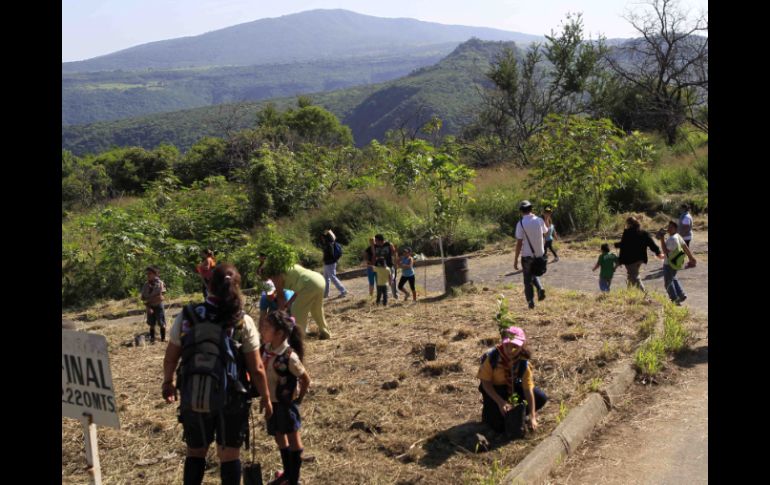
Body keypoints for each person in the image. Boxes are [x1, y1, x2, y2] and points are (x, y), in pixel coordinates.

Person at [161, 264, 272, 485]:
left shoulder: (187, 316)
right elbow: (257, 368)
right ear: (237, 287)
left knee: (195, 452)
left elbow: (171, 357)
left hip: (194, 396)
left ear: (209, 285)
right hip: (231, 398)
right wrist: (267, 398)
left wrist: (168, 382)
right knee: (229, 455)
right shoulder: (241, 320)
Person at [259, 310, 310, 485]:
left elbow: (305, 378)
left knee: (293, 438)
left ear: (279, 333)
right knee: (278, 435)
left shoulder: (290, 356)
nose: (262, 330)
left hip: (286, 404)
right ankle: (287, 473)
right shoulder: (266, 350)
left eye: (266, 328)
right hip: (271, 403)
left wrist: (298, 399)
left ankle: (294, 478)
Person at [477, 326, 547, 434]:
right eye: (507, 345)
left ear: (522, 346)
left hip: (515, 386)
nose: (510, 350)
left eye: (515, 346)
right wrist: (500, 402)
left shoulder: (523, 363)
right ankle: (502, 414)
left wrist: (533, 416)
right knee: (496, 427)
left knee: (541, 397)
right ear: (502, 343)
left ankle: (518, 414)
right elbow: (485, 383)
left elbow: (528, 390)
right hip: (495, 390)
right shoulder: (493, 358)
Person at [265, 262, 332, 340]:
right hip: (318, 279)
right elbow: (299, 289)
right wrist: (289, 303)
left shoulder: (275, 275)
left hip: (308, 284)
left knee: (296, 312)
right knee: (316, 310)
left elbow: (280, 296)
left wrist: (280, 316)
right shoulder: (287, 266)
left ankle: (299, 338)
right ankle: (326, 333)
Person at [614, 216, 664, 293]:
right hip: (640, 259)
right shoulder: (643, 232)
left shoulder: (627, 233)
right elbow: (651, 243)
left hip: (630, 259)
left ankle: (645, 295)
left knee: (634, 276)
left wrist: (616, 245)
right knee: (632, 275)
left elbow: (623, 244)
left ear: (629, 224)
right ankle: (629, 293)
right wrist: (658, 252)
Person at [513, 201, 548, 309]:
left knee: (527, 279)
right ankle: (540, 288)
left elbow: (519, 243)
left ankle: (530, 302)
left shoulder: (521, 223)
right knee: (534, 274)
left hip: (527, 256)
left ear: (521, 211)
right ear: (531, 209)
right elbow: (545, 233)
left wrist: (515, 259)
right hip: (539, 254)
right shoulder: (539, 220)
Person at [658, 220, 697, 305]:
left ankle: (675, 299)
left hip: (669, 263)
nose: (668, 228)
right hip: (677, 261)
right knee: (673, 278)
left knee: (668, 283)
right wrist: (691, 258)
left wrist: (661, 239)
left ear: (676, 229)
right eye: (668, 226)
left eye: (671, 227)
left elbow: (665, 251)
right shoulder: (677, 236)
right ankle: (681, 294)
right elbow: (685, 247)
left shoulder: (672, 239)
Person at [141, 266, 167, 343]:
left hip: (158, 306)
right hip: (149, 306)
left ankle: (163, 339)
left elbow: (160, 297)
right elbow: (142, 298)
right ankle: (152, 339)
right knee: (151, 324)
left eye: (150, 273)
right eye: (147, 274)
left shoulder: (160, 283)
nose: (148, 275)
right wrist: (148, 306)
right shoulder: (146, 285)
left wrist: (149, 301)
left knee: (161, 323)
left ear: (155, 274)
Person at [321, 230, 348, 299]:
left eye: (323, 237)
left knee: (332, 277)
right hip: (328, 263)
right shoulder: (329, 244)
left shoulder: (329, 244)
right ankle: (325, 294)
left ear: (326, 238)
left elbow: (331, 254)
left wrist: (326, 259)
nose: (322, 239)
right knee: (326, 279)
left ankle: (343, 291)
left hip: (330, 263)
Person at [373, 234, 399, 300]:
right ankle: (384, 297)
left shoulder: (388, 244)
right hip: (380, 267)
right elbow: (374, 255)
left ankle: (395, 295)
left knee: (392, 280)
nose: (375, 242)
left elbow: (394, 253)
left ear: (380, 240)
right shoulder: (375, 246)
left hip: (389, 265)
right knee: (382, 282)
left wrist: (395, 263)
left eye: (376, 240)